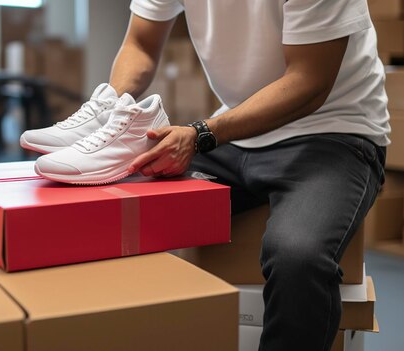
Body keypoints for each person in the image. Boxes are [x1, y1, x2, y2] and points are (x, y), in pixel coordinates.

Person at [114, 1, 389, 350]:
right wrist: (112, 106)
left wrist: (201, 134)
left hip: (334, 132)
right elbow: (140, 43)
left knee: (298, 257)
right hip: (239, 130)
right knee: (121, 209)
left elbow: (309, 81)